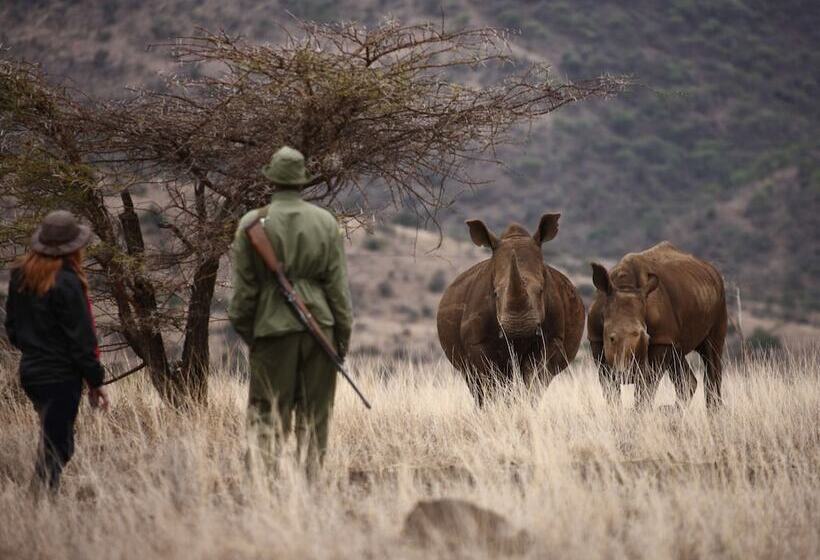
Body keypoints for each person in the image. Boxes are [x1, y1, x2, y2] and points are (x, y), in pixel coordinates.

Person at [229, 146, 353, 477]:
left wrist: (251, 334)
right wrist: (340, 338)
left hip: (271, 331)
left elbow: (243, 295)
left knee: (267, 413)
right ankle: (309, 489)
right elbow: (339, 292)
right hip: (321, 329)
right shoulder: (326, 222)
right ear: (302, 182)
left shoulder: (251, 223)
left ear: (271, 181)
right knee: (315, 416)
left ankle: (262, 491)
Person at [4, 210, 108, 494]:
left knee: (54, 440)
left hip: (31, 372)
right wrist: (95, 381)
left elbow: (11, 328)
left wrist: (35, 349)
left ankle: (42, 501)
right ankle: (40, 503)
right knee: (59, 445)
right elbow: (82, 340)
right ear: (73, 248)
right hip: (60, 376)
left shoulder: (19, 277)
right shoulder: (69, 283)